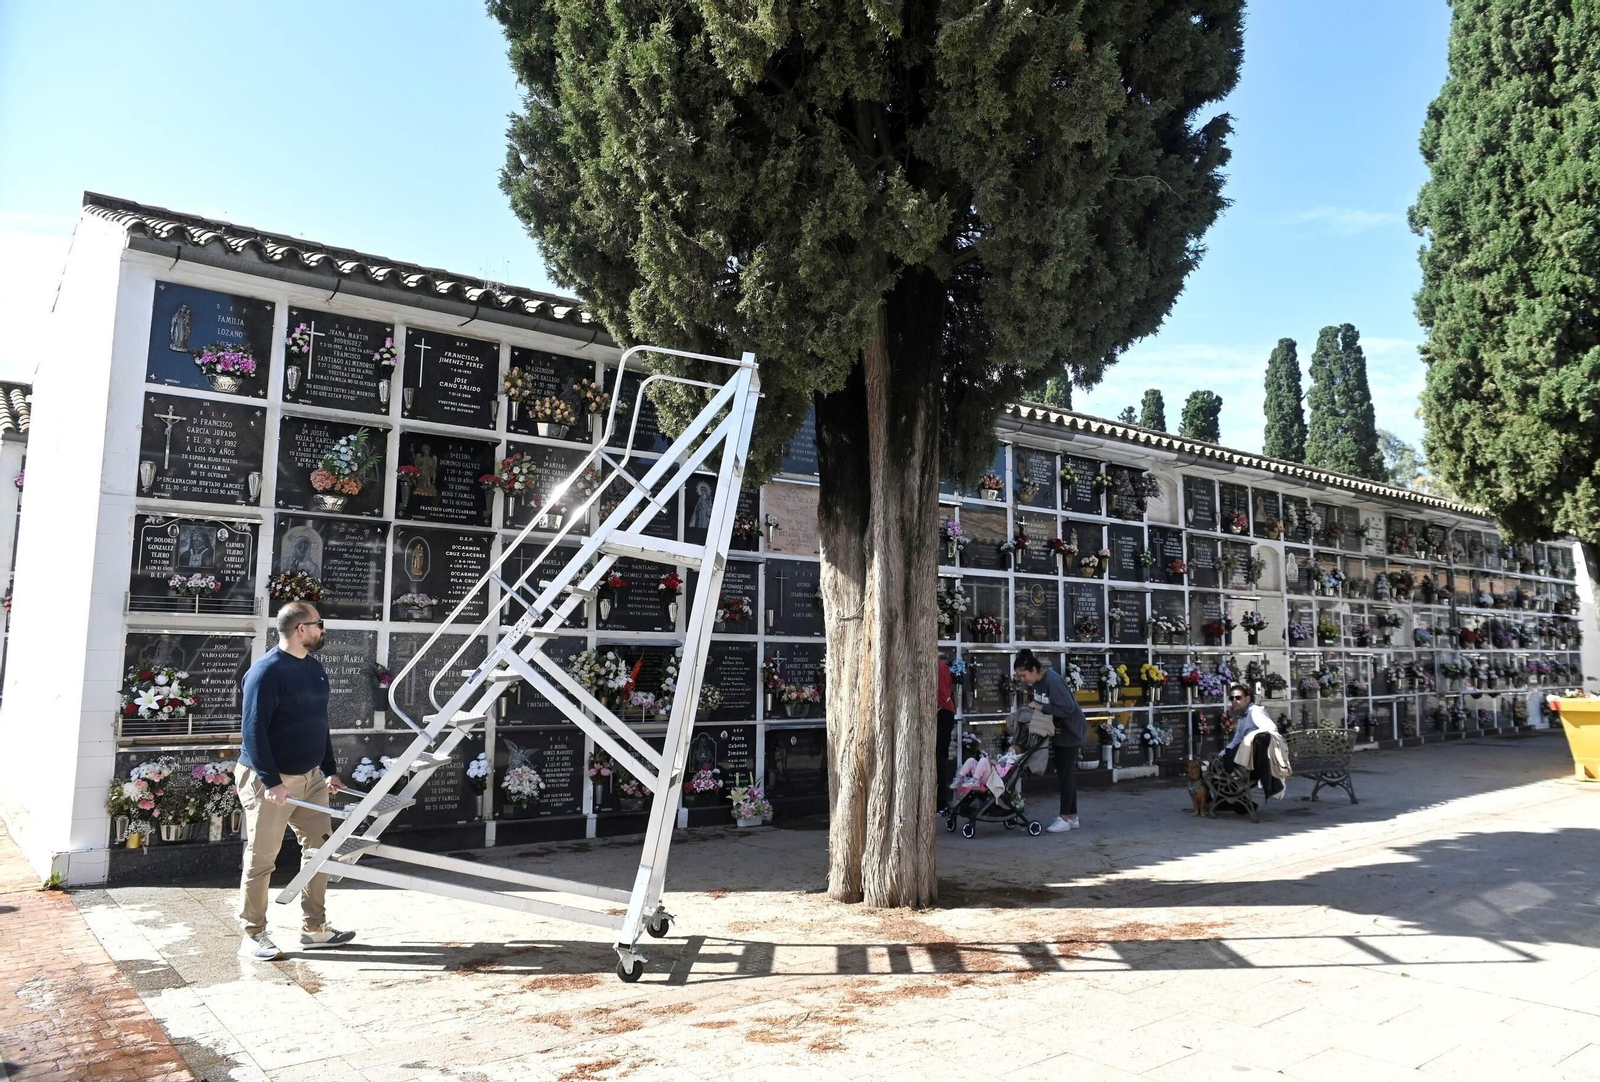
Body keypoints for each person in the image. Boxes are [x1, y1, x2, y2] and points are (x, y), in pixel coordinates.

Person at [235, 601, 355, 961]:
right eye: (320, 624)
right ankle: (253, 934)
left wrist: (330, 769)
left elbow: (319, 723)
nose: (324, 631)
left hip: (311, 777)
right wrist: (272, 782)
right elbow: (252, 730)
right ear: (301, 629)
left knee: (321, 849)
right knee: (262, 858)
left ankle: (314, 927)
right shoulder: (267, 672)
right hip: (269, 779)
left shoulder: (315, 669)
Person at [1013, 649, 1088, 833]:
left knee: (1065, 775)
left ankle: (1064, 818)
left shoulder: (1052, 681)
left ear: (1033, 669)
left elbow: (1067, 708)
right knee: (1066, 773)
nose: (1023, 680)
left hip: (1070, 731)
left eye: (1024, 675)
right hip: (1061, 731)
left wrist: (1041, 706)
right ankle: (1073, 816)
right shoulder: (1038, 682)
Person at [1220, 683, 1288, 801]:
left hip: (1252, 763)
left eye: (1238, 697)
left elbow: (1271, 728)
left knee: (1219, 769)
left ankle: (1231, 802)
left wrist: (1251, 736)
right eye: (1232, 698)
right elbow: (1236, 739)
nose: (1234, 701)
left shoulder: (1254, 711)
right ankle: (1233, 803)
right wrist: (1221, 754)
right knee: (1218, 764)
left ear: (1247, 698)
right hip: (1246, 759)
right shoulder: (1243, 715)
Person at [935, 656, 957, 812]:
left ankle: (941, 801)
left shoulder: (937, 665)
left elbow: (942, 694)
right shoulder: (941, 664)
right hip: (945, 712)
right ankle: (940, 801)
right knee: (939, 758)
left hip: (942, 713)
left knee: (939, 758)